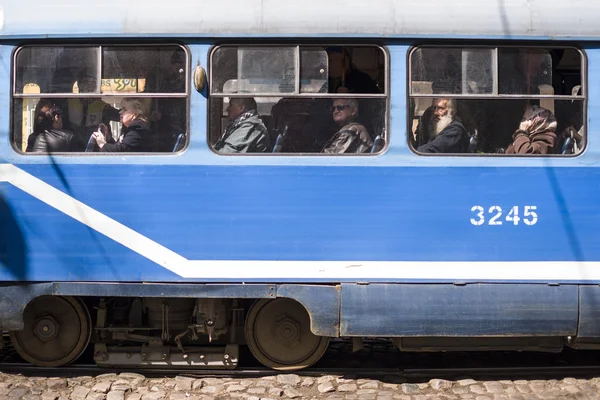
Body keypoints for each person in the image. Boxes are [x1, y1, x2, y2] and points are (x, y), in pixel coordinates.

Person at [68, 70, 120, 145]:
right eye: (84, 82)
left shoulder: (102, 106)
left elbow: (121, 116)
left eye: (92, 83)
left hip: (96, 147)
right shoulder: (70, 102)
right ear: (79, 85)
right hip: (74, 145)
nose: (88, 86)